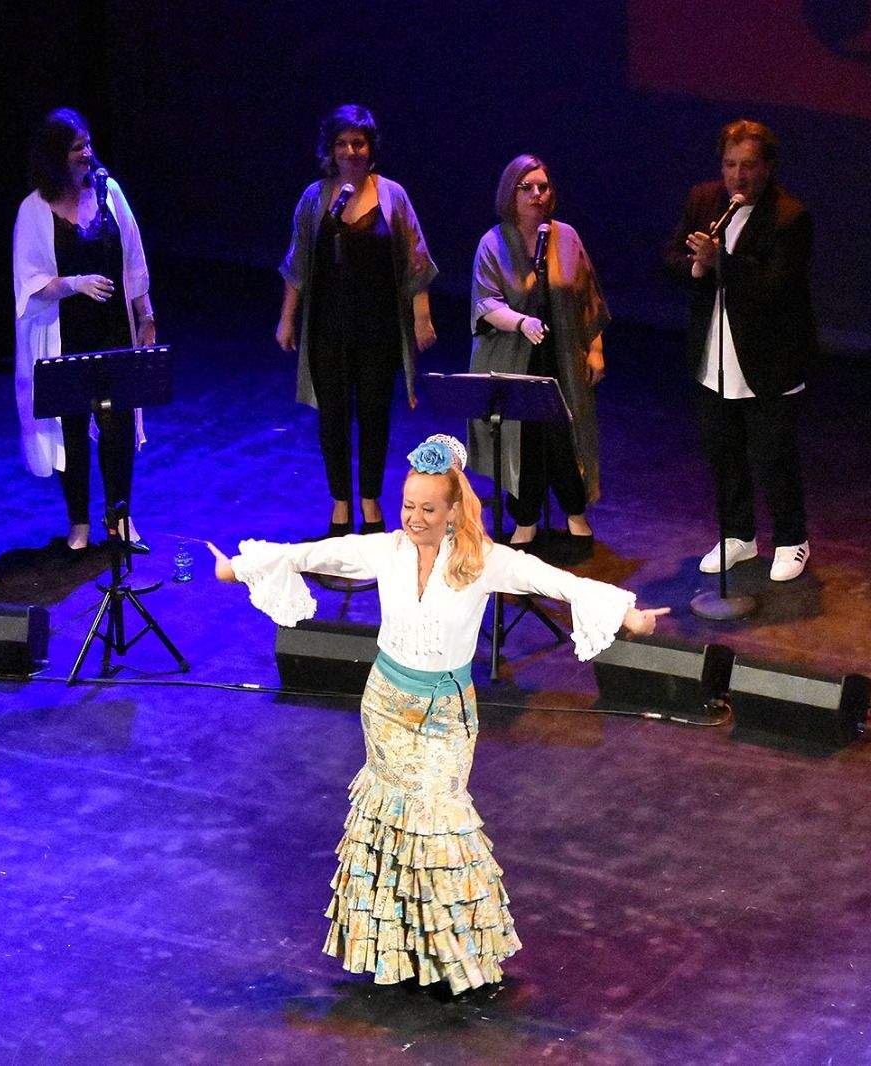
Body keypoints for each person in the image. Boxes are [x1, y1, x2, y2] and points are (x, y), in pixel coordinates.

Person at [209, 434, 668, 994]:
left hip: (444, 716)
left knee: (441, 825)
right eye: (408, 506)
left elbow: (557, 583)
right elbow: (313, 555)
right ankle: (402, 951)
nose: (414, 518)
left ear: (453, 511)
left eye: (428, 509)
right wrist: (238, 568)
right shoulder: (387, 551)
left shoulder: (484, 562)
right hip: (384, 707)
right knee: (396, 822)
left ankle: (462, 961)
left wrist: (629, 616)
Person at [664, 119, 818, 582]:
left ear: (767, 167)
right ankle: (737, 535)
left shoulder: (789, 216)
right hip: (715, 354)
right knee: (723, 451)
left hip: (768, 358)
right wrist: (695, 267)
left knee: (772, 454)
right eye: (730, 165)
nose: (738, 176)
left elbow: (776, 287)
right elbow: (671, 257)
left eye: (748, 165)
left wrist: (720, 262)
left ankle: (791, 540)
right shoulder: (704, 200)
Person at [276, 104, 439, 538]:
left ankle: (370, 501)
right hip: (327, 328)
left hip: (378, 328)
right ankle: (340, 504)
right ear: (331, 150)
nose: (351, 151)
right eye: (342, 143)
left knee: (373, 415)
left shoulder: (392, 195)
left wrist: (421, 316)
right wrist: (287, 319)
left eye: (358, 143)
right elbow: (297, 264)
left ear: (370, 148)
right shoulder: (315, 198)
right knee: (332, 416)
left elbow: (416, 258)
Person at [14, 108, 156, 553]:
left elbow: (134, 257)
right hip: (65, 332)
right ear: (56, 156)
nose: (87, 153)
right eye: (78, 147)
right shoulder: (35, 209)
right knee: (71, 428)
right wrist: (74, 284)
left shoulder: (108, 191)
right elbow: (29, 282)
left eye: (88, 144)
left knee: (117, 425)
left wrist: (146, 315)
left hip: (112, 328)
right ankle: (78, 521)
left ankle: (119, 517)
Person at [466, 155, 610, 562]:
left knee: (564, 436)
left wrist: (596, 348)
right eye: (526, 187)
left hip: (561, 354)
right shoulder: (493, 242)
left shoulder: (566, 237)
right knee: (523, 439)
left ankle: (575, 514)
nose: (536, 194)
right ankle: (525, 518)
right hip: (513, 355)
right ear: (509, 194)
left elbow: (588, 298)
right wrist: (520, 322)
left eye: (542, 187)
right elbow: (486, 302)